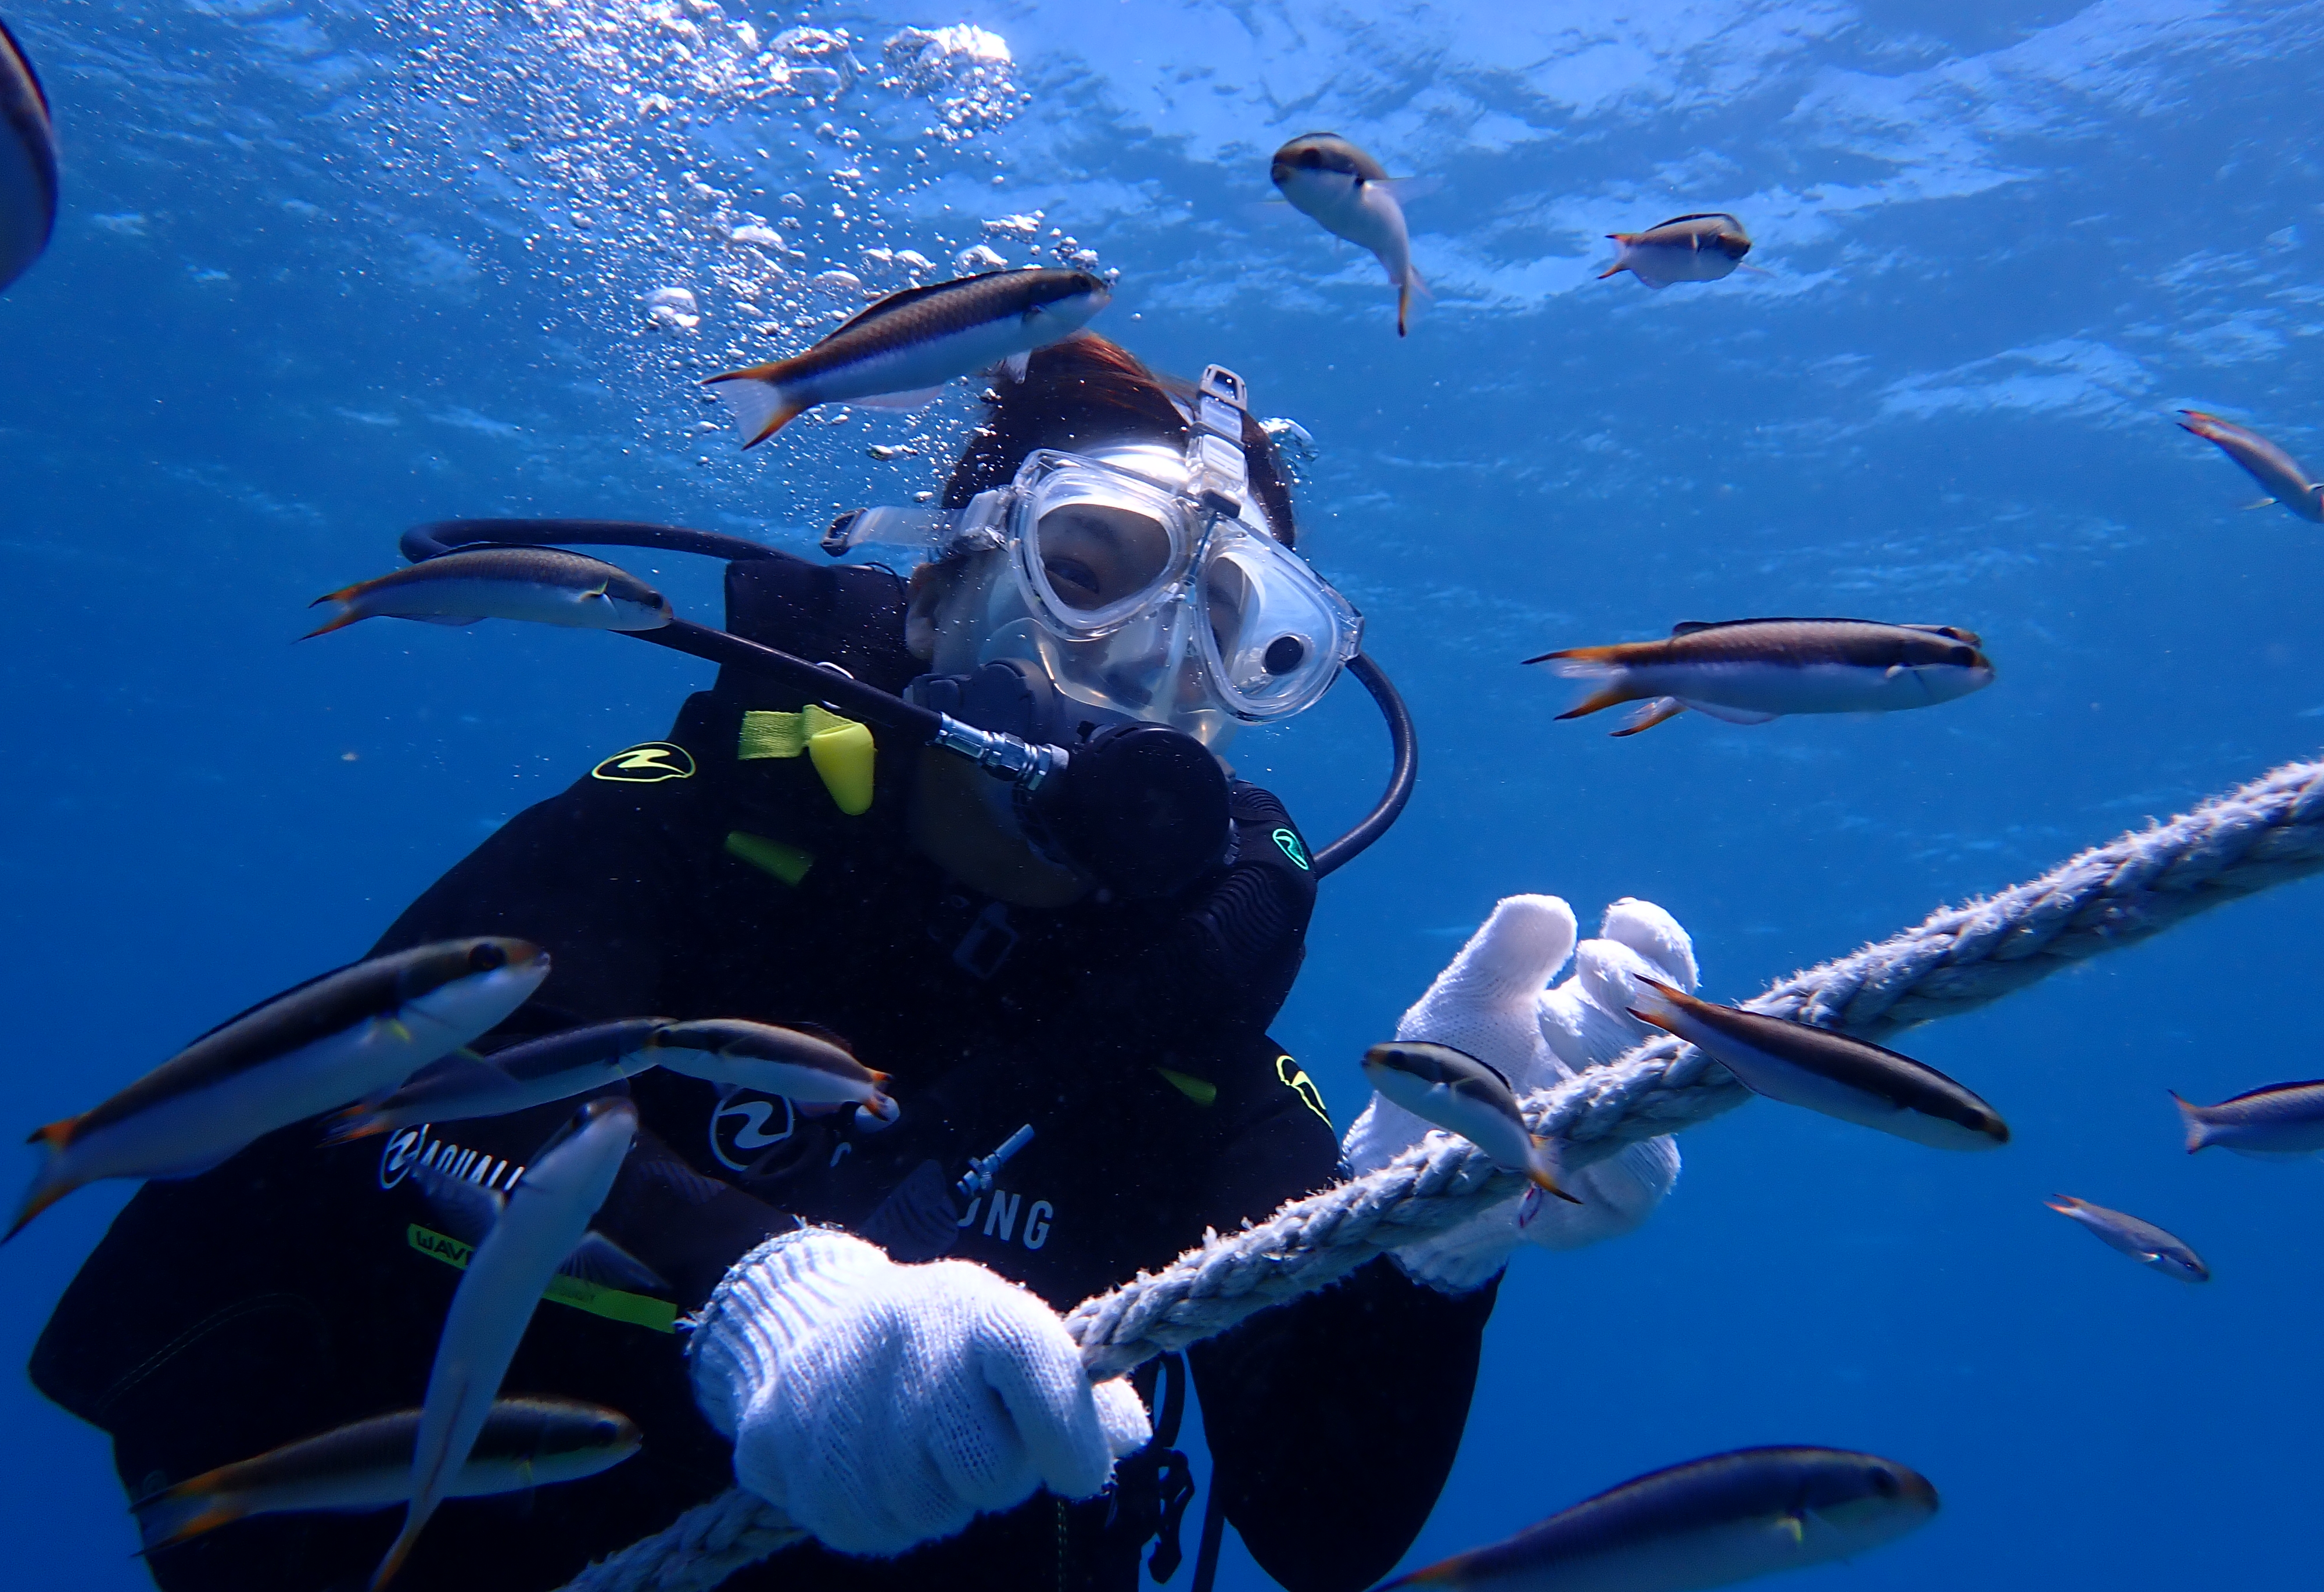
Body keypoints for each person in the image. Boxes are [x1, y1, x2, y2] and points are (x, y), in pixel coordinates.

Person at [29, 334, 1694, 1592]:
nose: (1143, 667)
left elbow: (1330, 1519)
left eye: (1238, 630)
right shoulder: (697, 835)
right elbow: (424, 1082)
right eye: (1091, 569)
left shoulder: (1190, 1045)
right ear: (952, 571)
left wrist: (1430, 1237)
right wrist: (760, 1289)